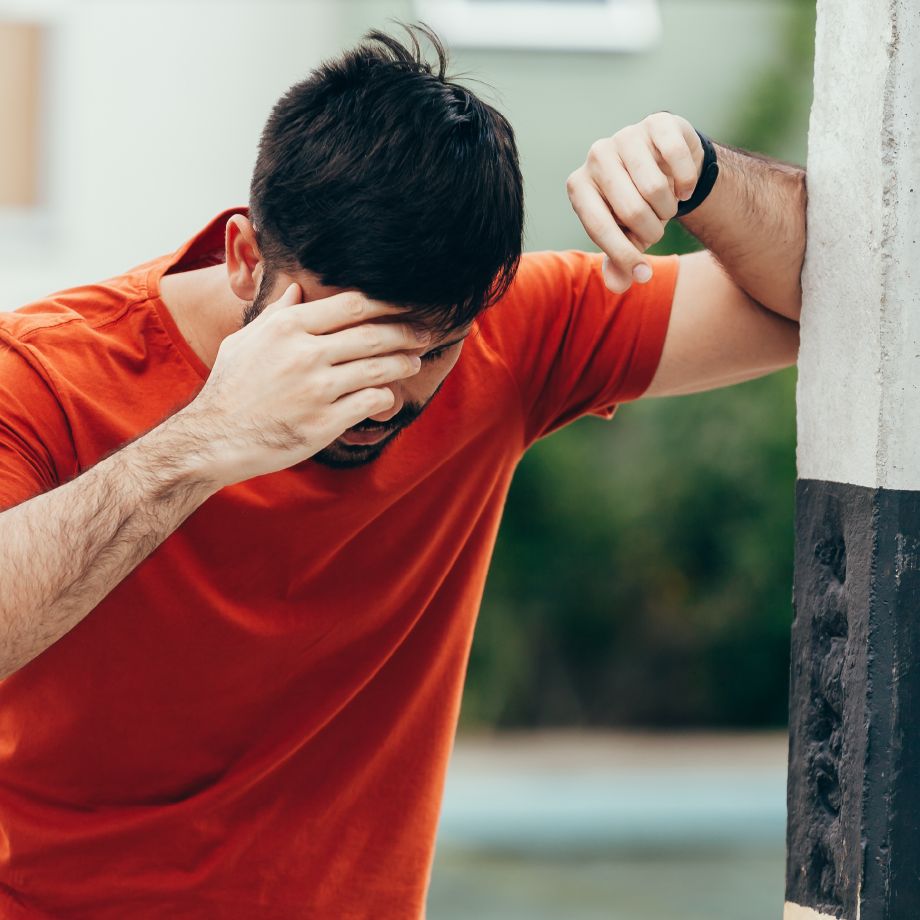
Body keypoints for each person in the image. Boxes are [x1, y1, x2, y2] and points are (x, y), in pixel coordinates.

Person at [0, 25, 803, 920]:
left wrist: (699, 173)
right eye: (341, 343)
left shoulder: (515, 335)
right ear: (242, 258)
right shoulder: (42, 373)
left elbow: (837, 293)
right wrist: (202, 443)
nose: (379, 401)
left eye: (426, 352)